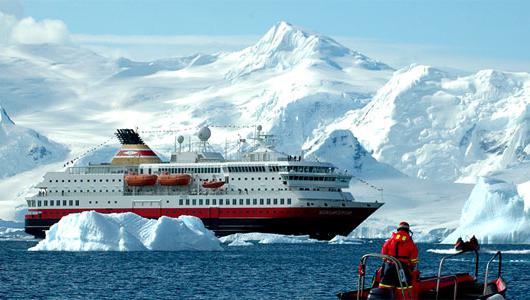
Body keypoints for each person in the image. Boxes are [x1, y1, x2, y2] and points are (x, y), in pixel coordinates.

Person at [379, 221, 419, 289]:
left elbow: (384, 250)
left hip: (389, 266)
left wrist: (386, 261)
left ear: (398, 229)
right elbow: (414, 257)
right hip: (402, 267)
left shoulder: (391, 240)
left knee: (384, 286)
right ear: (408, 230)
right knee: (404, 288)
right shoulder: (410, 242)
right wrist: (412, 266)